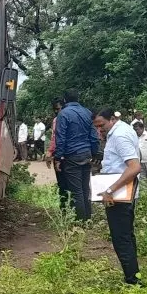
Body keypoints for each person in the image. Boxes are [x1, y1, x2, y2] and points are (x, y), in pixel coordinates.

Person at [92, 110, 142, 285]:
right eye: (96, 127)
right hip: (122, 193)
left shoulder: (119, 136)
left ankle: (133, 281)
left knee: (121, 238)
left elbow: (134, 167)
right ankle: (134, 275)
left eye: (102, 125)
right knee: (126, 236)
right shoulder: (120, 131)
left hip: (119, 195)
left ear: (112, 119)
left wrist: (111, 190)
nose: (100, 130)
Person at [52, 89, 99, 221]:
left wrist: (58, 158)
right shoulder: (87, 112)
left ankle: (81, 222)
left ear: (65, 100)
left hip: (72, 155)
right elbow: (94, 136)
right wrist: (94, 153)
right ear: (78, 98)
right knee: (85, 188)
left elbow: (60, 138)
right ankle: (87, 218)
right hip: (86, 154)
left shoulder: (63, 114)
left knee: (76, 191)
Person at [46, 101, 67, 213]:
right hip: (70, 155)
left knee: (63, 184)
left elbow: (56, 139)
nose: (57, 112)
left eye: (58, 109)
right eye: (55, 110)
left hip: (62, 156)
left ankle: (64, 209)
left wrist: (50, 153)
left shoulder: (58, 120)